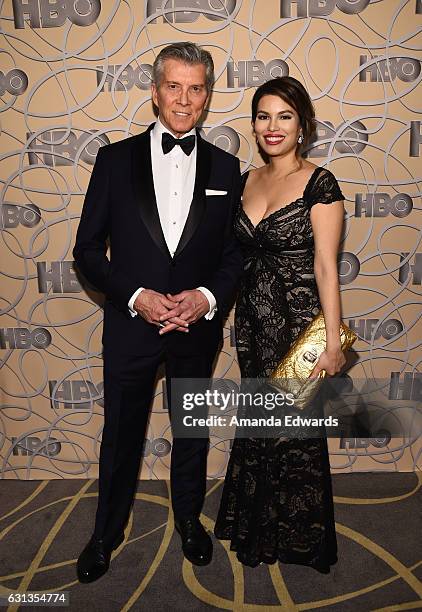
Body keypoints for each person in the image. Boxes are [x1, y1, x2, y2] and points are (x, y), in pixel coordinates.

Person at [73, 42, 243, 582]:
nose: (184, 99)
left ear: (208, 97)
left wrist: (206, 299)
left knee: (190, 431)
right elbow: (86, 251)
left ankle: (189, 521)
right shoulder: (114, 159)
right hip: (130, 326)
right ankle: (106, 533)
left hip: (195, 329)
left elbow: (234, 255)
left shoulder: (227, 166)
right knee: (121, 434)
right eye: (174, 85)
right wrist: (137, 298)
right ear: (154, 90)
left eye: (196, 88)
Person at [214, 76, 346, 573]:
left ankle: (298, 539)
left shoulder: (320, 183)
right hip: (251, 323)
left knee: (293, 433)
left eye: (285, 116)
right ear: (253, 124)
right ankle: (254, 525)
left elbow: (326, 267)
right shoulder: (245, 180)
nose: (273, 127)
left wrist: (333, 344)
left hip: (297, 326)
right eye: (264, 116)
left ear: (303, 125)